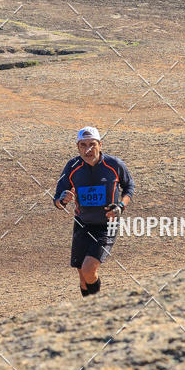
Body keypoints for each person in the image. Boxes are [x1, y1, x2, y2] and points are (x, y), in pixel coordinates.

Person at [54, 126, 134, 297]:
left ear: (100, 145)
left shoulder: (114, 165)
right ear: (77, 147)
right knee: (83, 277)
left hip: (107, 224)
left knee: (89, 269)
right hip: (82, 224)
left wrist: (120, 205)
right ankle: (90, 311)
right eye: (83, 145)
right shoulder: (72, 166)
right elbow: (57, 201)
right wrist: (63, 200)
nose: (88, 149)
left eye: (92, 144)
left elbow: (129, 187)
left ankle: (98, 311)